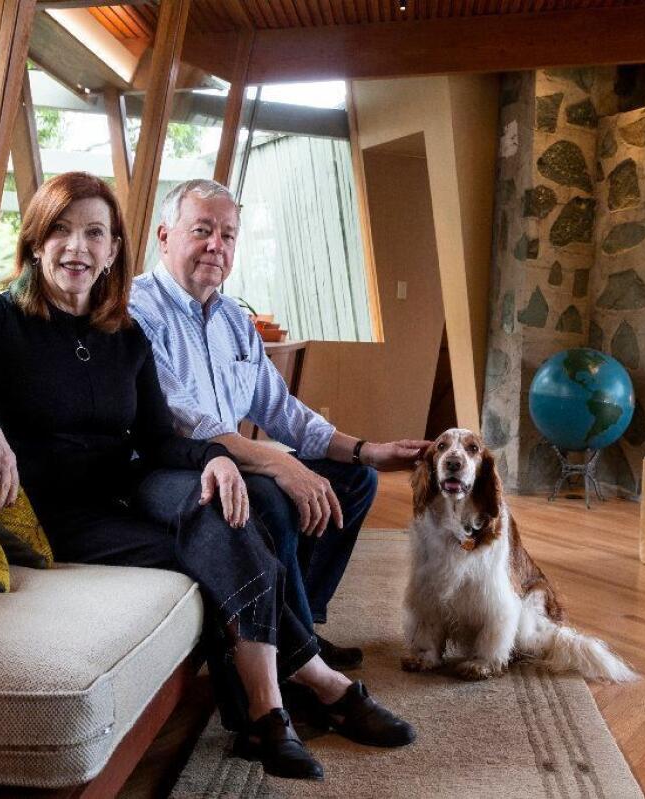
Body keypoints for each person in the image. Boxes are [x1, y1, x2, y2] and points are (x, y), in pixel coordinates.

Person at [0, 172, 414, 780]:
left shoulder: (122, 333)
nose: (77, 247)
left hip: (120, 495)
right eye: (62, 231)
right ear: (37, 242)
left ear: (112, 250)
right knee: (222, 536)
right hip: (54, 516)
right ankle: (316, 686)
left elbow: (156, 439)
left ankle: (265, 713)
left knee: (221, 514)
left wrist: (216, 459)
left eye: (94, 234)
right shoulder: (1, 320)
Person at [128, 179, 427, 668]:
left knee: (354, 481)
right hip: (169, 466)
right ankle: (295, 654)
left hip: (231, 458)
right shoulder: (139, 311)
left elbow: (280, 409)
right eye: (201, 230)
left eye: (227, 235)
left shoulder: (233, 320)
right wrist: (274, 463)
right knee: (269, 495)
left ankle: (300, 631)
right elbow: (180, 419)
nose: (216, 245)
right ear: (164, 237)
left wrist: (366, 450)